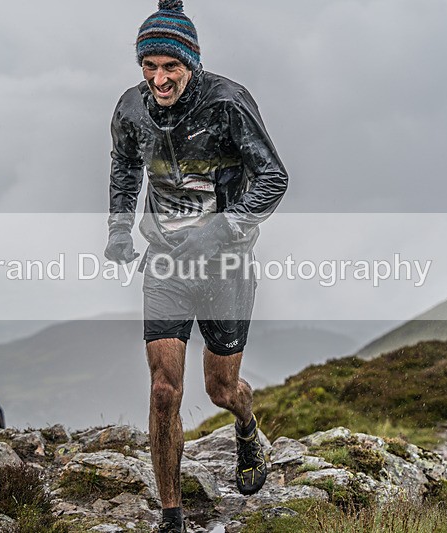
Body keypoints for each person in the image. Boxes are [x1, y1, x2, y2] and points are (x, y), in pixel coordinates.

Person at [104, 1, 288, 530]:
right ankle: (172, 516)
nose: (159, 79)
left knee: (220, 389)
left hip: (226, 264)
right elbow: (124, 167)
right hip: (166, 262)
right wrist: (118, 229)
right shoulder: (131, 109)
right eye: (149, 66)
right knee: (164, 389)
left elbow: (273, 178)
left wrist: (221, 229)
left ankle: (247, 428)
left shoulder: (228, 103)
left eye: (170, 67)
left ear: (192, 63)